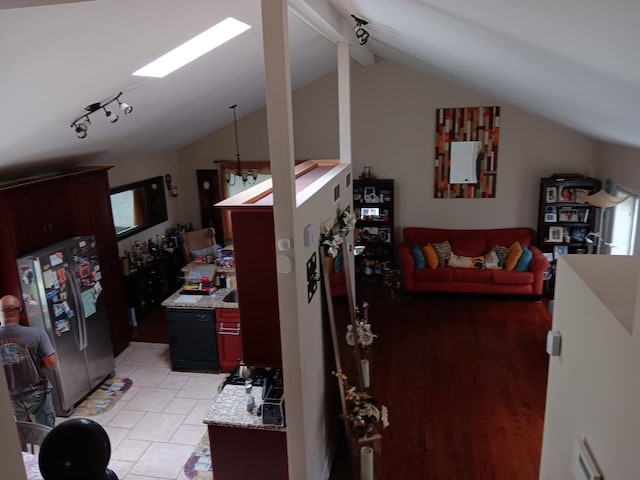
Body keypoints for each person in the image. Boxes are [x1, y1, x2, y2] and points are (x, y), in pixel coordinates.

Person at [0, 294, 57, 427]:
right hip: (38, 396)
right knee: (47, 436)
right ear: (20, 312)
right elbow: (51, 364)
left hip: (9, 400)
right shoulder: (37, 334)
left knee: (18, 441)